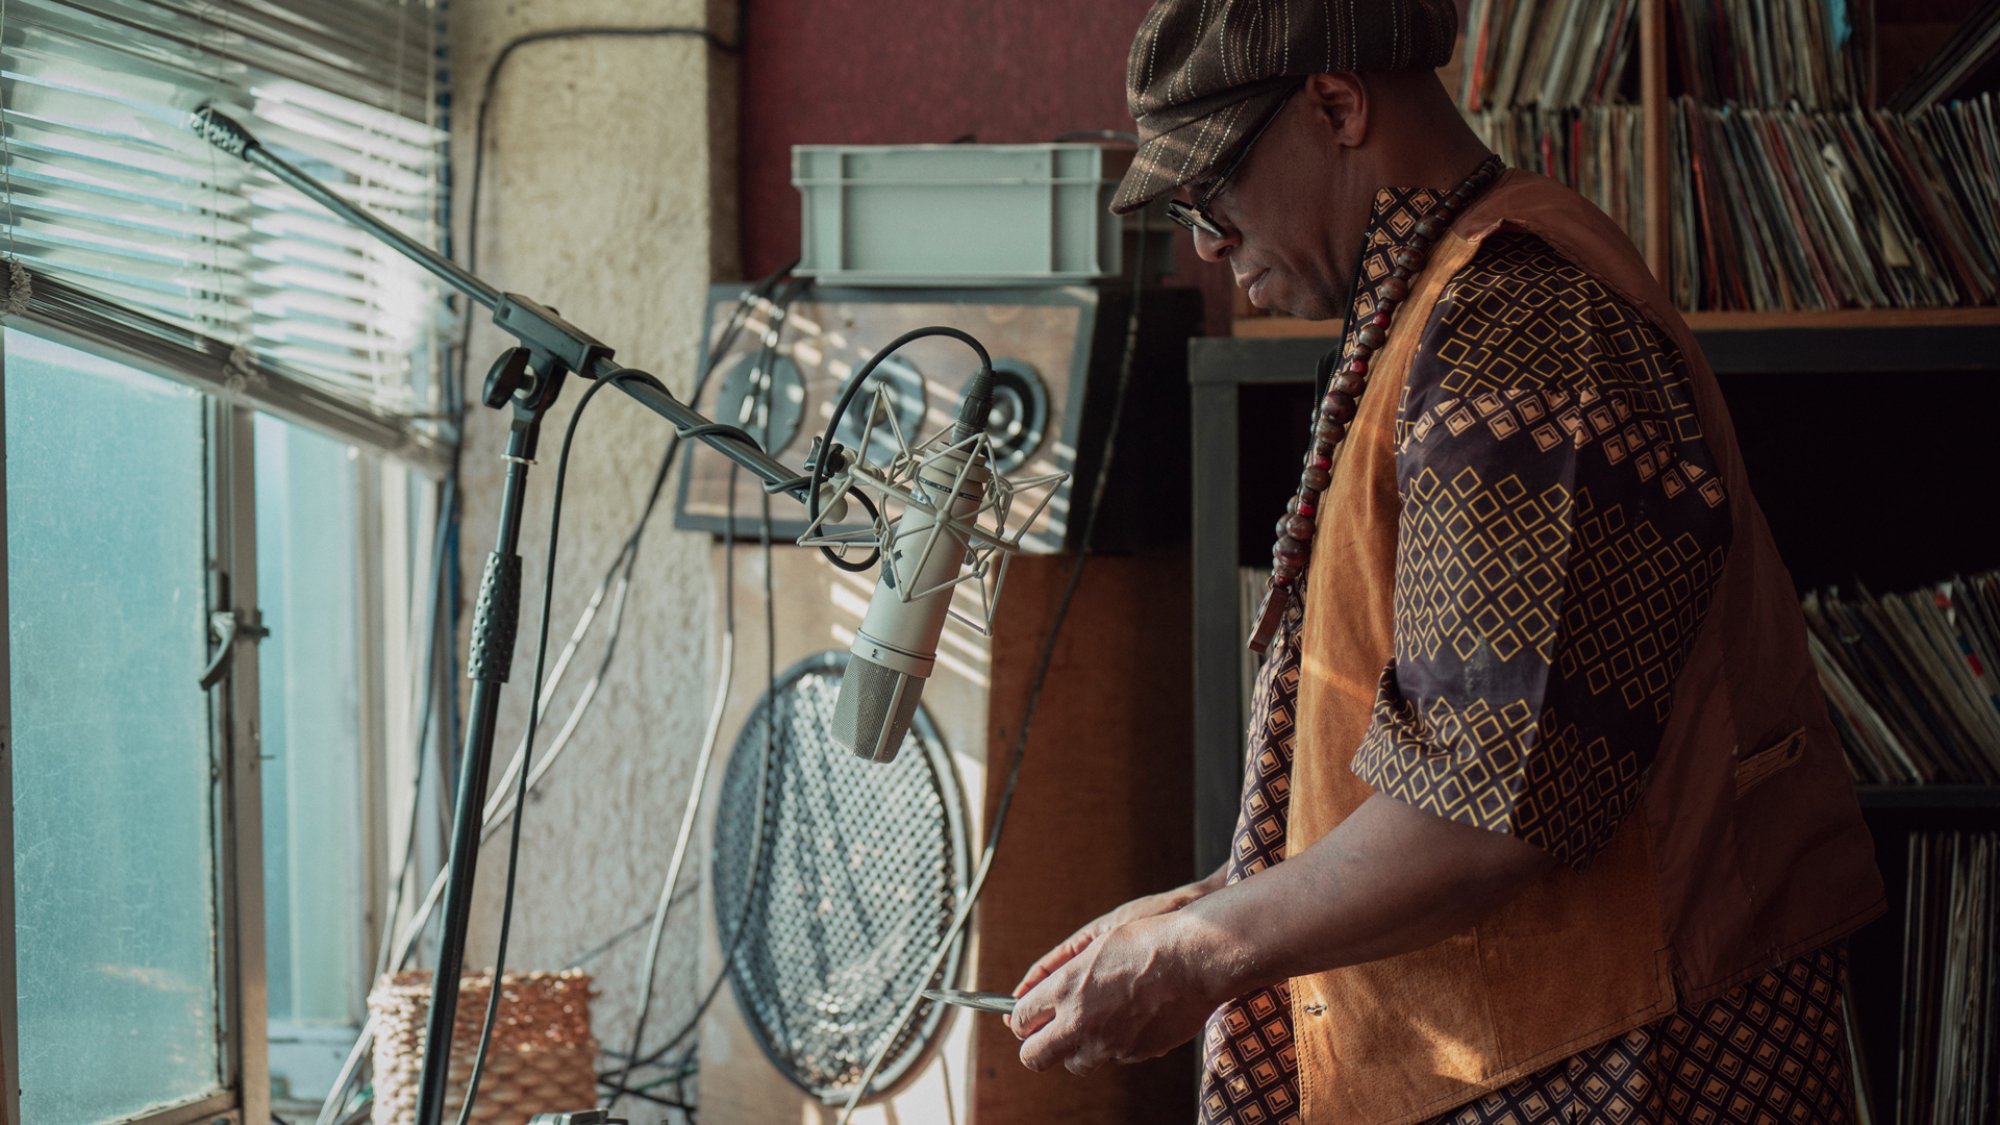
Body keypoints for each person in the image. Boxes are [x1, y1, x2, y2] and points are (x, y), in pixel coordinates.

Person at [1006, 3, 1887, 1124]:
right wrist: (1208, 900)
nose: (1206, 243)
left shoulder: (1520, 321)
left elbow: (1483, 808)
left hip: (1619, 1061)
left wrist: (1201, 950)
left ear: (1334, 104)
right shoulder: (1441, 302)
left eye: (1208, 190)